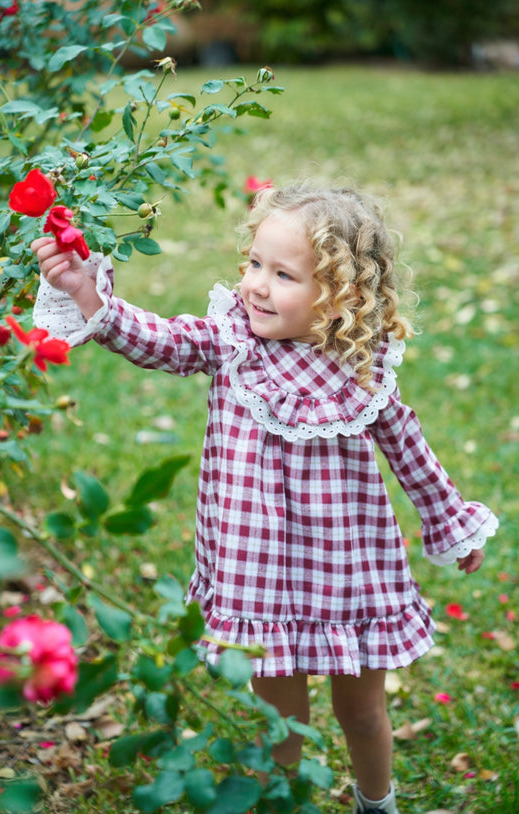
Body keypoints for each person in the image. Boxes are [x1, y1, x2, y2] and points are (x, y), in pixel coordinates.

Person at [31, 182, 498, 814]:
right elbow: (159, 340)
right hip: (259, 578)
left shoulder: (361, 370)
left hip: (347, 571)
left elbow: (409, 448)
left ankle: (376, 801)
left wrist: (452, 521)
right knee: (277, 721)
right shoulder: (232, 344)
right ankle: (286, 803)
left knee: (360, 710)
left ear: (341, 298)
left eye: (283, 275)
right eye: (254, 264)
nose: (255, 284)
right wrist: (88, 293)